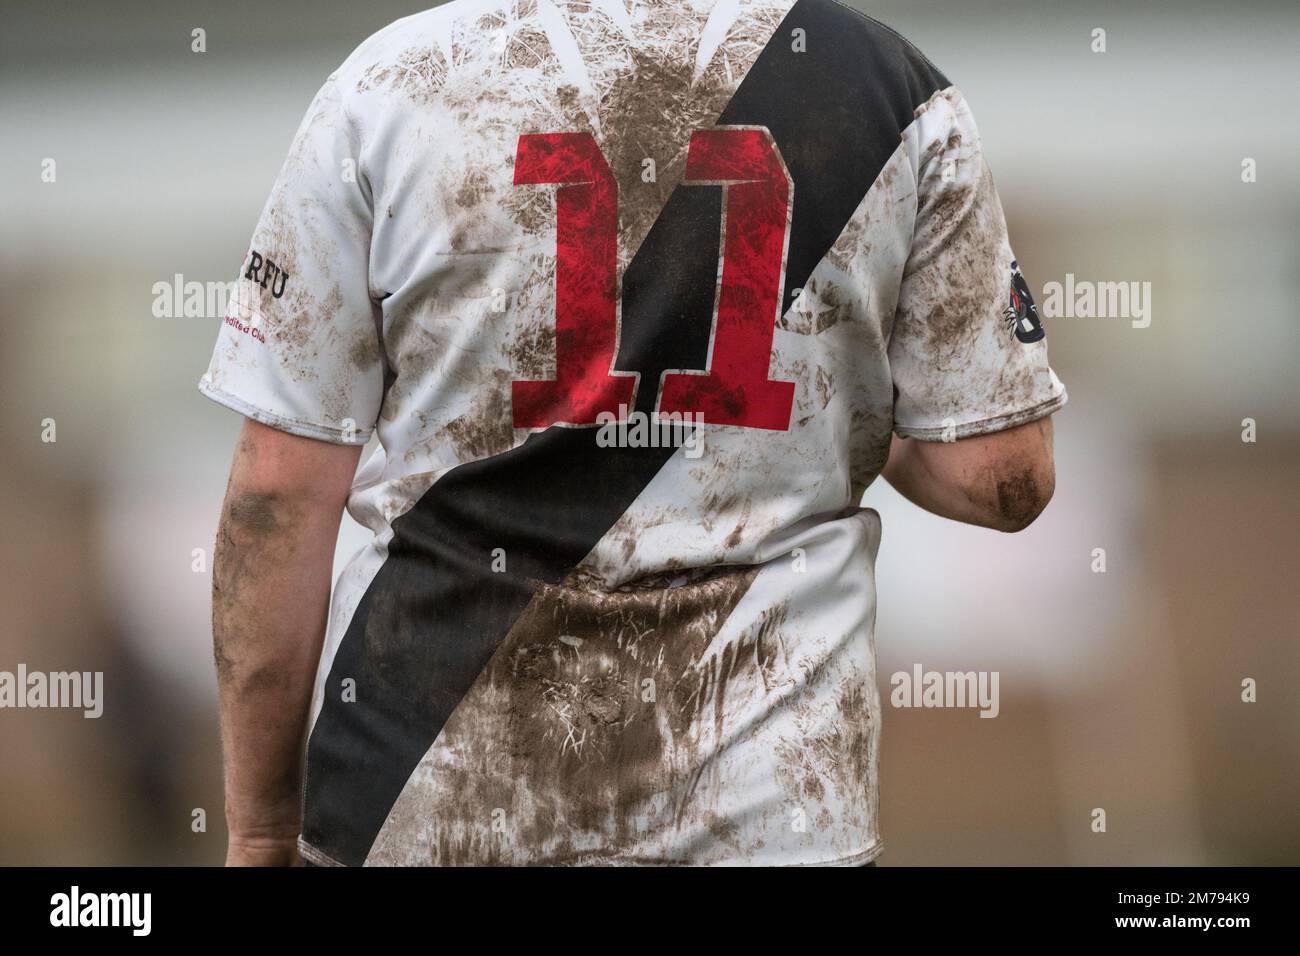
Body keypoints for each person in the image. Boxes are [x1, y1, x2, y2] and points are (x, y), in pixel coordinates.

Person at [203, 0, 1066, 867]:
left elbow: (277, 500)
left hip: (427, 792)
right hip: (769, 810)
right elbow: (1003, 474)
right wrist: (828, 407)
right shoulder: (891, 90)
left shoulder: (385, 87)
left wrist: (262, 829)